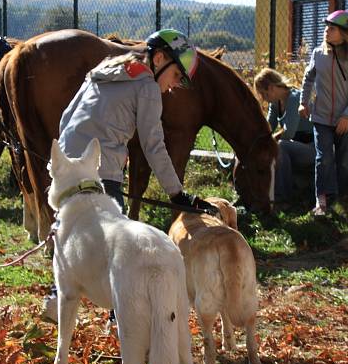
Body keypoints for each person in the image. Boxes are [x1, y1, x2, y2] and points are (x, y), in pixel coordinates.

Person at [42, 28, 217, 323]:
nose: (173, 86)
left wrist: (67, 160)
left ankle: (56, 295)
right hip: (103, 167)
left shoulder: (104, 69)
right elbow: (153, 146)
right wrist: (177, 194)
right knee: (116, 241)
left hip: (69, 164)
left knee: (68, 230)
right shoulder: (147, 86)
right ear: (159, 58)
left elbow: (67, 117)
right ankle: (119, 314)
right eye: (175, 76)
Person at [298, 10, 348, 217]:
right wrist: (303, 102)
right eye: (326, 27)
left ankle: (342, 198)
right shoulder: (318, 54)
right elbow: (308, 78)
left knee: (344, 163)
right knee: (323, 159)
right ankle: (321, 201)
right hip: (321, 118)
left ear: (344, 33)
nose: (326, 31)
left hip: (345, 119)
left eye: (332, 28)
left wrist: (347, 115)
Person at [254, 68, 315, 205]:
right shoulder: (275, 103)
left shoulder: (295, 98)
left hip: (312, 149)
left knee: (280, 145)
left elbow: (288, 133)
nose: (263, 99)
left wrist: (267, 141)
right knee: (276, 145)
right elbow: (268, 127)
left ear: (271, 88)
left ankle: (283, 197)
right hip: (296, 146)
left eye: (264, 94)